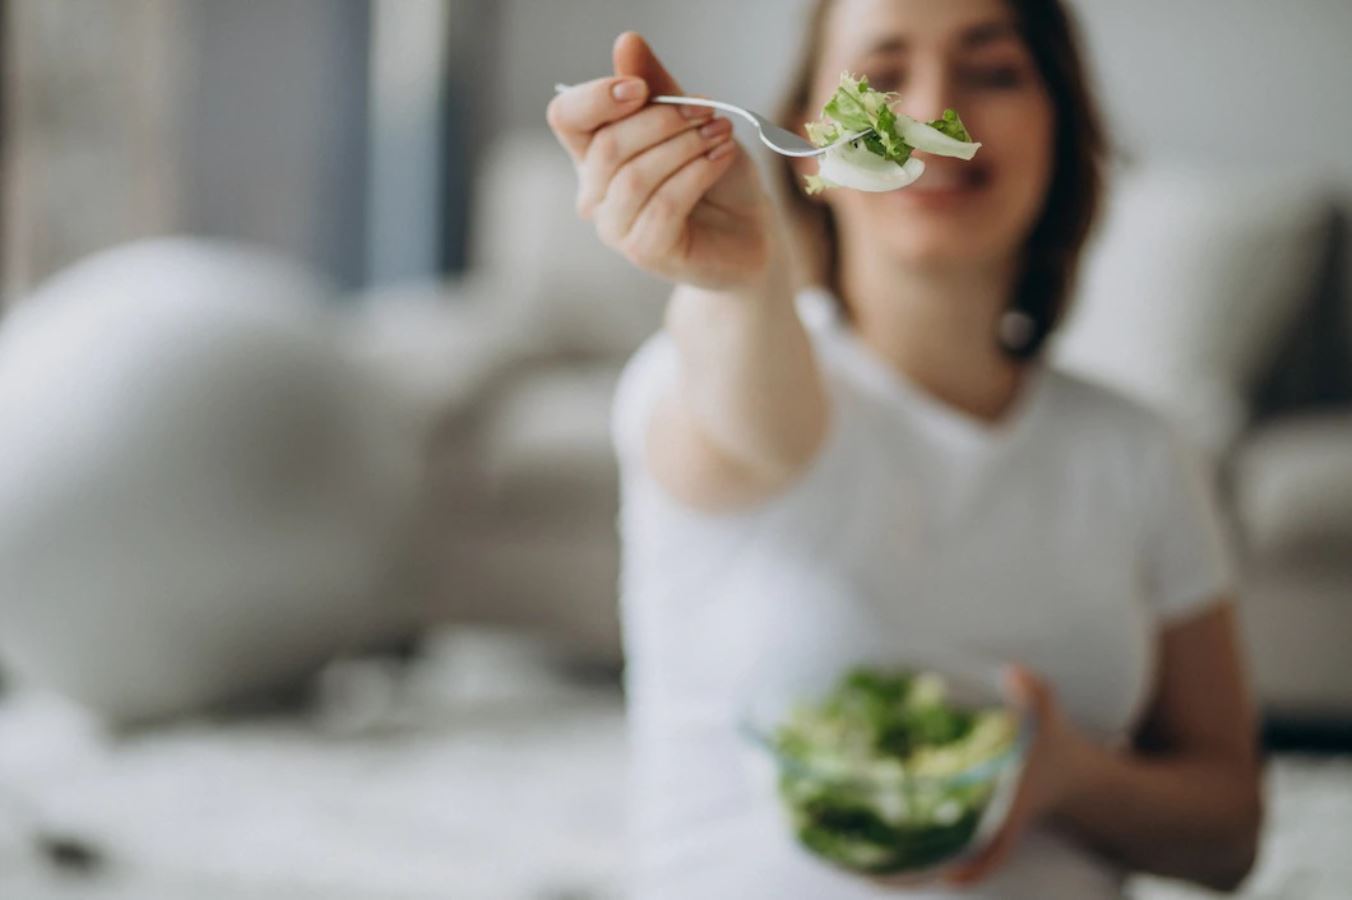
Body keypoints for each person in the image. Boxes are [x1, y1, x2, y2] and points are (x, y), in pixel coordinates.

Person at [546, 1, 1262, 897]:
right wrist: (739, 285)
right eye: (883, 76)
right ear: (809, 138)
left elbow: (1230, 832)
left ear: (1062, 123)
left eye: (993, 72)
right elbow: (761, 425)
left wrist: (1071, 778)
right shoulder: (704, 373)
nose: (930, 109)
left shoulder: (1143, 451)